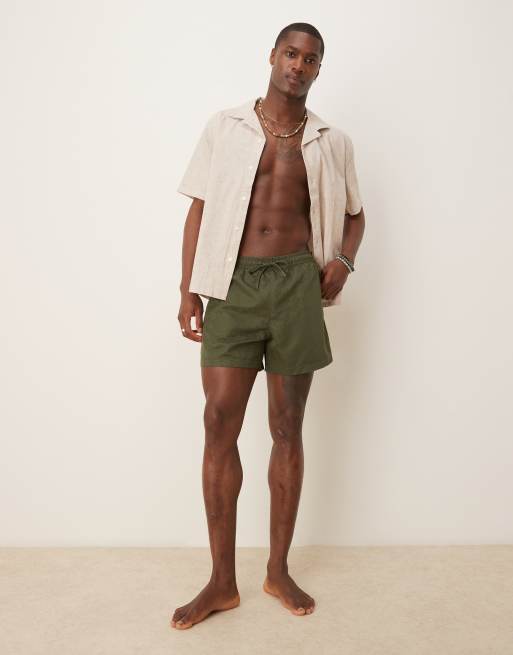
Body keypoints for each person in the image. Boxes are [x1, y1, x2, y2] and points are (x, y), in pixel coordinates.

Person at [172, 22, 365, 630]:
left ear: (318, 69)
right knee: (218, 421)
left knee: (287, 425)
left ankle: (277, 570)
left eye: (311, 59)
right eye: (290, 53)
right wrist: (189, 288)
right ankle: (221, 581)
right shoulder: (225, 127)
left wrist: (343, 262)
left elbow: (356, 216)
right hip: (232, 282)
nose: (298, 65)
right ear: (273, 56)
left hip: (296, 284)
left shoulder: (332, 141)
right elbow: (199, 210)